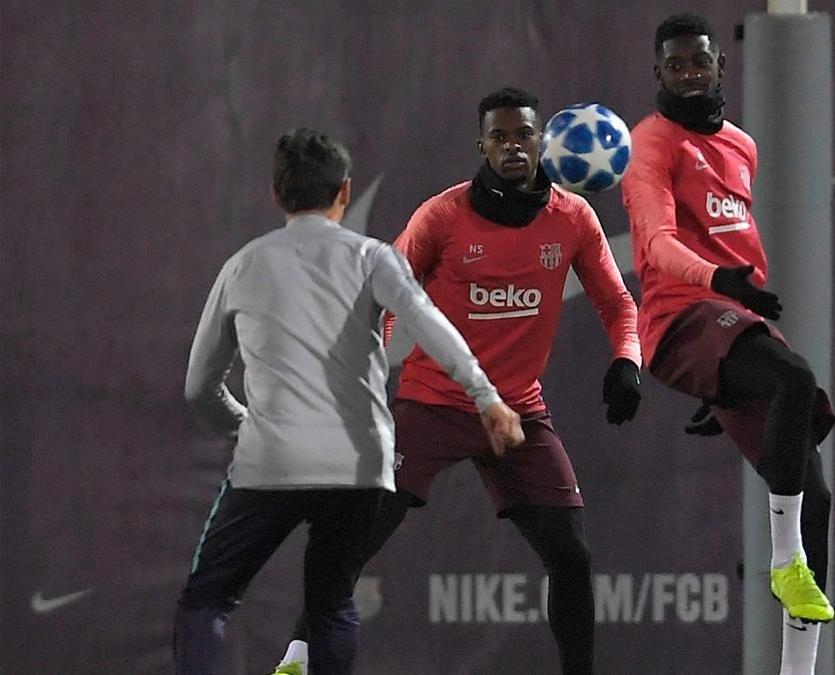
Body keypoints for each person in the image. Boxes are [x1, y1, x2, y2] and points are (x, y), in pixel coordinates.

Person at [292, 87, 642, 674]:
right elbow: (383, 295)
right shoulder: (444, 216)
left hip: (519, 412)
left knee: (572, 556)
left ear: (543, 140)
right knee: (354, 544)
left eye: (523, 134)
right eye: (499, 136)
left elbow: (618, 304)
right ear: (481, 145)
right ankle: (295, 661)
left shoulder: (574, 218)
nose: (513, 146)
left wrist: (626, 361)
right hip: (433, 405)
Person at [174, 128, 524, 675]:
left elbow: (200, 385)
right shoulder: (371, 257)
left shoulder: (243, 265)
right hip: (357, 464)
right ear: (344, 191)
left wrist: (244, 425)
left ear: (276, 193)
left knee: (208, 600)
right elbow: (430, 327)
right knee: (331, 603)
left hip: (271, 461)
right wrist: (487, 398)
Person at [621, 13, 835, 673]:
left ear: (720, 66)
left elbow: (732, 238)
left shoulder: (741, 143)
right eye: (677, 65)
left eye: (700, 62)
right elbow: (655, 245)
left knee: (815, 492)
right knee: (795, 378)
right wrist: (720, 284)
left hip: (732, 323)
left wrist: (726, 374)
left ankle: (797, 667)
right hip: (681, 318)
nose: (690, 74)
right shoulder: (650, 145)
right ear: (658, 74)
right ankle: (782, 560)